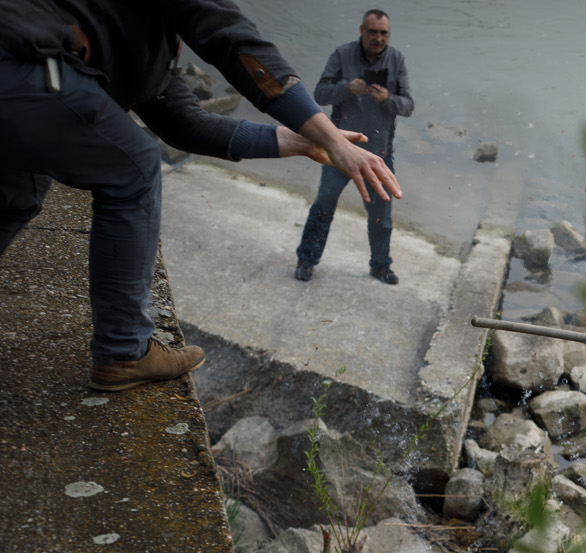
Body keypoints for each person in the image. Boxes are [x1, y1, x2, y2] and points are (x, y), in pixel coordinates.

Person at [0, 0, 401, 392]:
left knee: (20, 190)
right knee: (135, 169)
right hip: (24, 57)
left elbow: (184, 124)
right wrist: (333, 138)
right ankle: (124, 351)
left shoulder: (134, 30)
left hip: (19, 72)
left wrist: (307, 142)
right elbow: (238, 43)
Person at [294, 9, 413, 286]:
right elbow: (320, 94)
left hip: (378, 154)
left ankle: (380, 266)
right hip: (339, 150)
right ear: (362, 30)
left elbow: (408, 105)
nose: (378, 38)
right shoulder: (342, 54)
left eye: (384, 33)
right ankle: (306, 261)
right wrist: (348, 88)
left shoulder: (397, 59)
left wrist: (387, 99)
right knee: (323, 207)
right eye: (373, 32)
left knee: (381, 219)